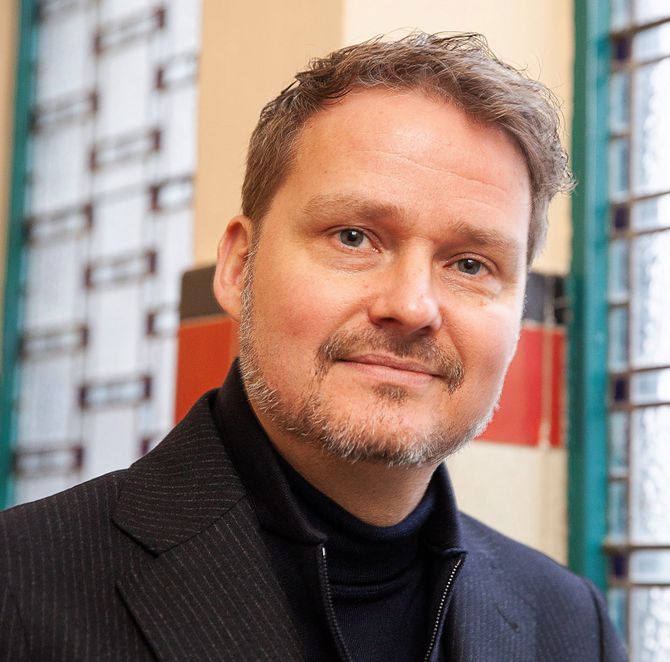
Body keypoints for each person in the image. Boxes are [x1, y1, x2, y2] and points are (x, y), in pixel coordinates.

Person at [0, 33, 626, 661]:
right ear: (240, 267)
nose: (412, 306)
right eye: (353, 237)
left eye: (470, 264)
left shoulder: (570, 623)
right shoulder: (21, 584)